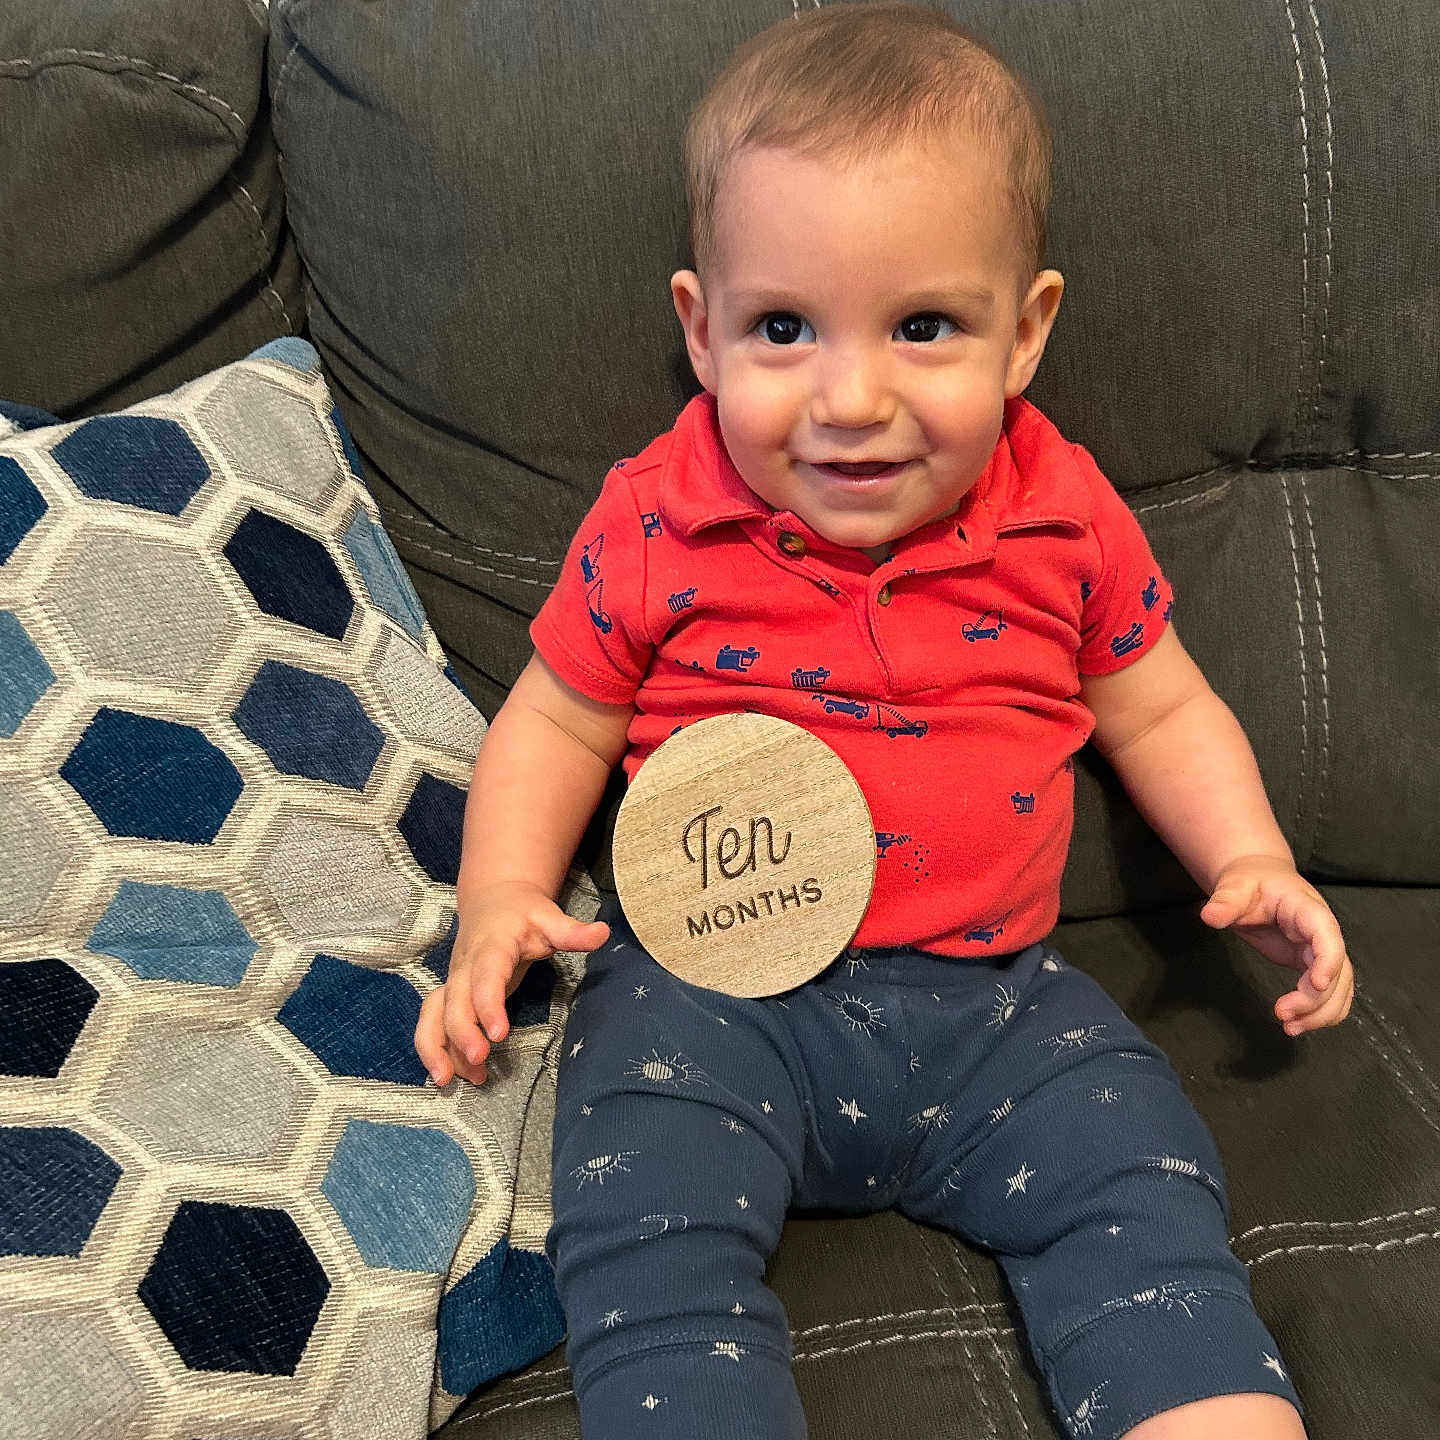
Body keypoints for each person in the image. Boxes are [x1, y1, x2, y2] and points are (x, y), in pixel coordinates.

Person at [415, 6, 1353, 1436]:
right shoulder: (658, 515)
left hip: (998, 1010)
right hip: (710, 1000)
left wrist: (1255, 852)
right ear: (701, 330)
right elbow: (558, 718)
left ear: (1025, 331)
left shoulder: (1060, 509)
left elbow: (1160, 702)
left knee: (1142, 1182)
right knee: (639, 1221)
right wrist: (499, 898)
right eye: (782, 329)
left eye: (924, 328)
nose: (852, 399)